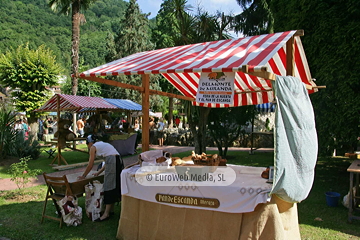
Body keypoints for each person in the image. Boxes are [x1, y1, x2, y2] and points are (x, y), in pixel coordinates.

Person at [77, 135, 124, 222]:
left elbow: (90, 164)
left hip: (113, 161)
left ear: (90, 143)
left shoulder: (93, 147)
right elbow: (108, 160)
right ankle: (111, 210)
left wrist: (83, 176)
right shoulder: (101, 144)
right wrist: (98, 172)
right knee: (114, 185)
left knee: (108, 185)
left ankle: (106, 214)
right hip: (118, 161)